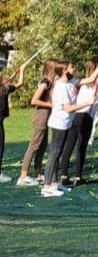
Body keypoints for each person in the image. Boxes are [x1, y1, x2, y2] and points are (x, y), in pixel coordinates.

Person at [41, 60, 98, 197]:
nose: (74, 68)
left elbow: (91, 79)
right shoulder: (61, 87)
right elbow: (68, 108)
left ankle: (54, 183)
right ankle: (46, 186)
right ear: (64, 71)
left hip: (66, 123)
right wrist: (86, 103)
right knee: (54, 153)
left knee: (59, 153)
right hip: (59, 123)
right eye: (72, 67)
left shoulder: (71, 81)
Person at [17, 58, 59, 187]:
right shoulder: (45, 82)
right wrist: (49, 104)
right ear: (51, 69)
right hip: (41, 116)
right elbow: (34, 100)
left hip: (46, 117)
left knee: (43, 145)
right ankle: (23, 176)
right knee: (34, 146)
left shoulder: (51, 82)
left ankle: (37, 173)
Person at [0, 64, 26, 182]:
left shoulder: (4, 88)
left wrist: (14, 74)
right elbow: (20, 83)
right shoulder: (4, 90)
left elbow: (6, 82)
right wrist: (22, 71)